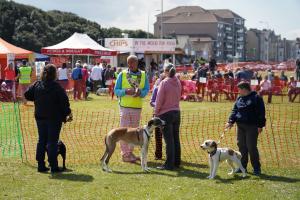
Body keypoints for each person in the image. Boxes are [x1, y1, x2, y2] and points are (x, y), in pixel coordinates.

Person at [24, 64, 72, 173]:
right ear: (54, 74)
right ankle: (53, 166)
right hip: (54, 118)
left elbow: (27, 94)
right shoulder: (57, 87)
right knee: (52, 141)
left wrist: (37, 98)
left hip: (40, 117)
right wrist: (68, 113)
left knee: (42, 140)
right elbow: (64, 102)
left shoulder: (37, 84)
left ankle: (41, 165)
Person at [114, 55, 150, 162]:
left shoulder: (143, 75)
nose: (130, 65)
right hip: (124, 107)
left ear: (137, 63)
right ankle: (125, 154)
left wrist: (141, 93)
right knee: (124, 132)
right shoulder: (122, 74)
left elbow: (146, 89)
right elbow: (116, 90)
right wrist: (125, 91)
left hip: (137, 107)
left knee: (134, 132)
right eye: (128, 63)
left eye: (132, 63)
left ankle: (130, 153)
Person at [225, 81, 266, 176]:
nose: (238, 91)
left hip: (252, 126)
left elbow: (261, 112)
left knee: (251, 147)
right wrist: (230, 121)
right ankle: (242, 167)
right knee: (241, 146)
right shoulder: (239, 98)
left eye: (239, 89)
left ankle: (256, 168)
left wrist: (260, 125)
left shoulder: (256, 98)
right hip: (240, 126)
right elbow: (235, 110)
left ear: (244, 89)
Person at [155, 64, 182, 170]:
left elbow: (159, 99)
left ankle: (169, 164)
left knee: (169, 140)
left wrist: (156, 112)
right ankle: (176, 162)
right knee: (176, 139)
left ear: (166, 72)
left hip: (166, 114)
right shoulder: (178, 82)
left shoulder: (164, 82)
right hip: (176, 112)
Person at [150, 74, 166, 160]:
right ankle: (158, 155)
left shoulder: (169, 90)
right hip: (157, 114)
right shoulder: (156, 89)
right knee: (158, 136)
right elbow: (151, 102)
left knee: (167, 136)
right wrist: (158, 105)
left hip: (167, 114)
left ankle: (170, 155)